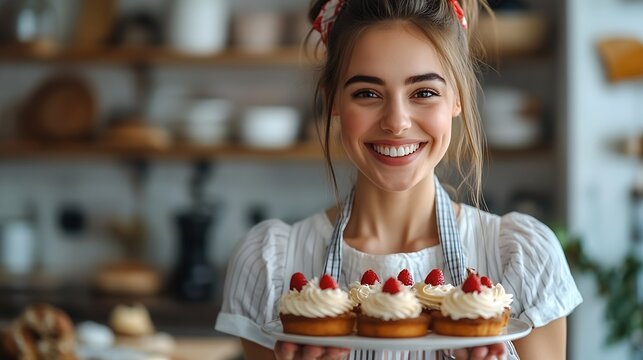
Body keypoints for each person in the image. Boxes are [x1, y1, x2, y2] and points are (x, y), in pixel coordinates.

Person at [215, 0, 583, 359]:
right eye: (367, 93)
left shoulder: (523, 258)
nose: (396, 121)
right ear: (333, 103)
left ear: (456, 98)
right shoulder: (270, 264)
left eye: (424, 92)